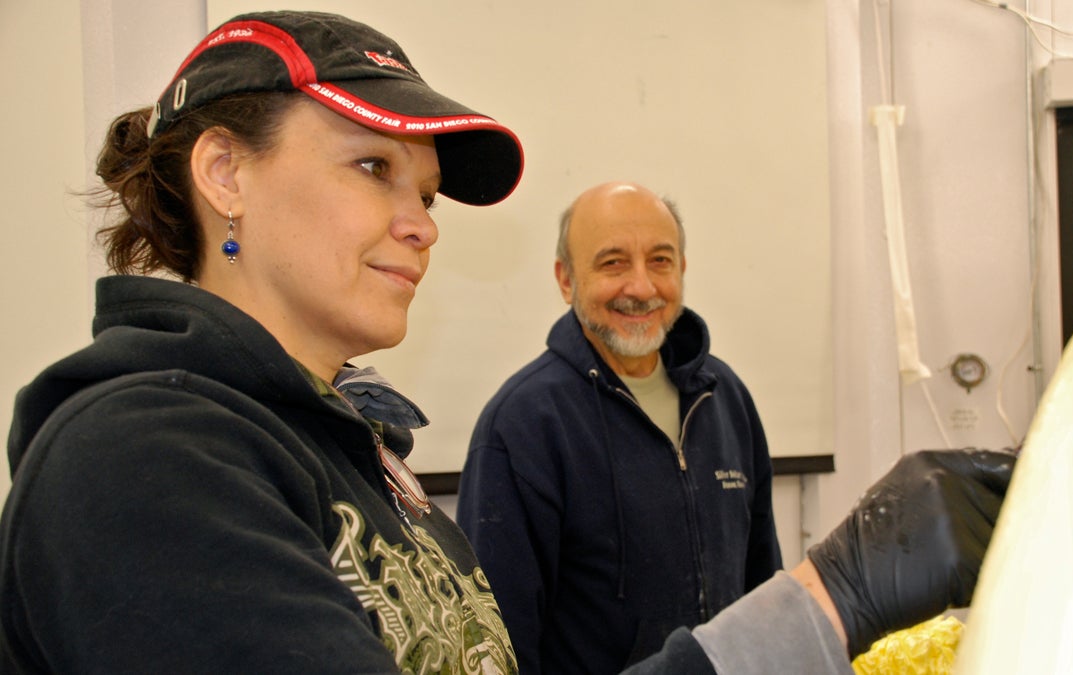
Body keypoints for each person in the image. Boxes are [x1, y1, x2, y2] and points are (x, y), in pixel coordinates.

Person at [0, 10, 1015, 674]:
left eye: (427, 194)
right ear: (226, 172)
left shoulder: (361, 455)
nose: (423, 224)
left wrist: (813, 609)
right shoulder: (140, 461)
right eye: (370, 169)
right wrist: (827, 602)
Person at [457, 181, 783, 672]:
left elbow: (762, 585)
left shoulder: (725, 397)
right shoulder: (523, 425)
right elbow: (498, 644)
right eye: (612, 263)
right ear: (566, 280)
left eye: (660, 261)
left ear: (682, 271)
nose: (641, 287)